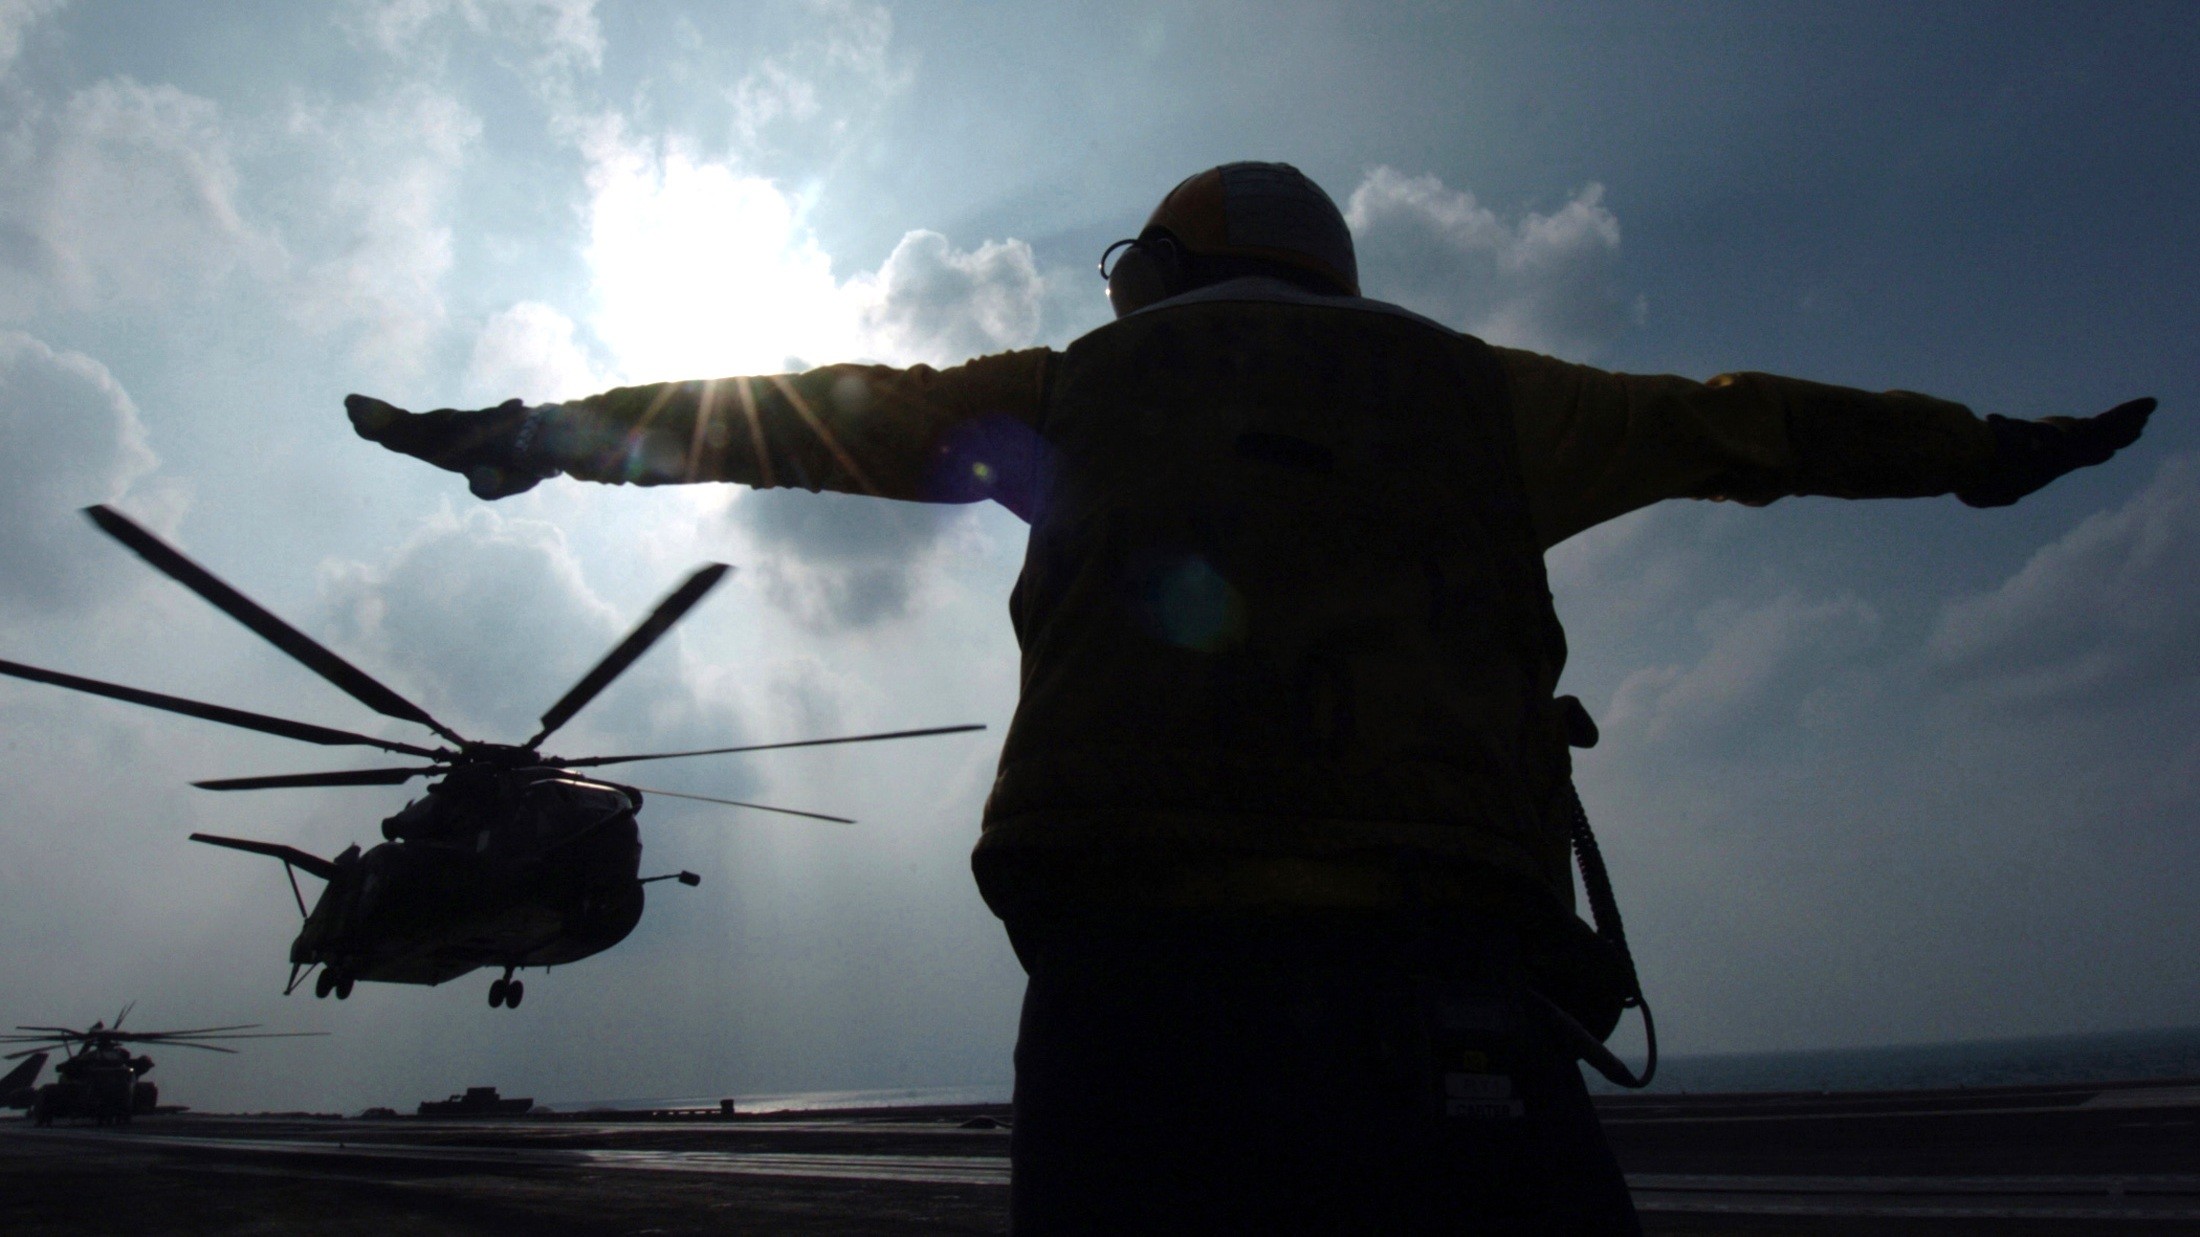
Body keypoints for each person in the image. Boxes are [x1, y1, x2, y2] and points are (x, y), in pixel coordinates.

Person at [347, 162, 2155, 1234]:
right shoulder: (1485, 398)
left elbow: (783, 410)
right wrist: (1985, 453)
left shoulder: (1070, 389)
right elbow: (1752, 422)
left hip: (1138, 1001)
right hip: (1444, 993)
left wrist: (527, 439)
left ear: (1164, 275)